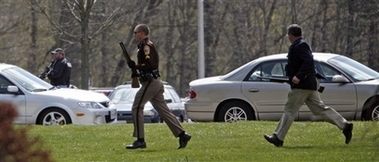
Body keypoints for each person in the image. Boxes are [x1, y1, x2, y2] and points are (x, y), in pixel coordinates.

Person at [263, 24, 353, 147]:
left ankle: (278, 137)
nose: (287, 37)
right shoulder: (301, 44)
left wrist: (298, 76)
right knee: (320, 110)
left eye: (288, 35)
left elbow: (309, 62)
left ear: (291, 35)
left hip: (302, 86)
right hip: (308, 85)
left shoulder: (300, 45)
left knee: (289, 110)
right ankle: (345, 125)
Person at [125, 24, 191, 149]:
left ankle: (140, 139)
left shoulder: (146, 46)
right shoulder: (144, 46)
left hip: (151, 82)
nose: (134, 35)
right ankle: (182, 135)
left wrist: (136, 67)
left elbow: (150, 65)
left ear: (142, 33)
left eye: (135, 32)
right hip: (154, 82)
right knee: (164, 111)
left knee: (137, 107)